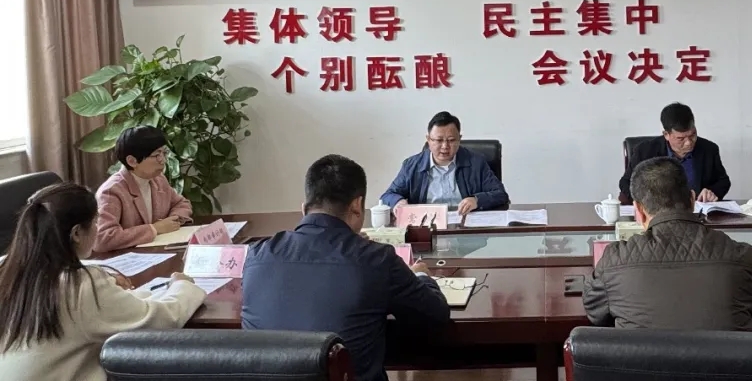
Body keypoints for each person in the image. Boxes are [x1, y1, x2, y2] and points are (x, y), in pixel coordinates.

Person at [243, 154, 451, 381]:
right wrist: (421, 275)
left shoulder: (256, 255)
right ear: (357, 206)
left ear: (304, 209)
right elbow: (435, 316)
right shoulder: (377, 259)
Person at [0, 183, 206, 381]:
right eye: (95, 222)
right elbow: (161, 320)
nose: (97, 229)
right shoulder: (80, 287)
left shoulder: (7, 270)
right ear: (77, 233)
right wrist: (183, 285)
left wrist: (104, 279)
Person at [585, 157, 752, 330]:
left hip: (646, 361)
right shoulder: (740, 256)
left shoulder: (614, 260)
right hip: (723, 361)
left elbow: (595, 312)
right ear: (692, 199)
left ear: (638, 210)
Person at [381, 111, 509, 216]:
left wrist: (476, 200)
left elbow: (501, 194)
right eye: (438, 140)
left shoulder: (476, 163)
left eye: (451, 140)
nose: (445, 146)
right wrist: (398, 201)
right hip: (427, 227)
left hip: (464, 226)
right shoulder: (412, 166)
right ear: (428, 140)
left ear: (459, 139)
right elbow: (388, 195)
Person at [95, 126, 192, 252]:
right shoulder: (112, 191)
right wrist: (155, 229)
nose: (163, 160)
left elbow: (181, 203)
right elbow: (103, 238)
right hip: (126, 258)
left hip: (157, 252)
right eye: (156, 155)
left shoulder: (158, 179)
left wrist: (173, 220)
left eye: (164, 153)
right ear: (132, 161)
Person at [619, 102, 731, 203]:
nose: (688, 143)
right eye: (681, 138)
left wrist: (712, 192)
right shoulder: (645, 151)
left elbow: (723, 181)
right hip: (657, 213)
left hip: (696, 211)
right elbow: (626, 182)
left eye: (692, 135)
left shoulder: (709, 149)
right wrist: (646, 202)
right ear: (666, 135)